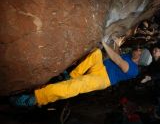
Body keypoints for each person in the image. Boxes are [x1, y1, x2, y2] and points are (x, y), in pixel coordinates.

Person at [10, 37, 152, 107]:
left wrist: (104, 43)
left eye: (140, 51)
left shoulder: (133, 70)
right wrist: (116, 43)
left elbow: (117, 60)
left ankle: (35, 99)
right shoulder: (130, 56)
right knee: (96, 53)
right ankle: (70, 75)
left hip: (103, 80)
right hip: (100, 67)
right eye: (140, 49)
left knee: (75, 87)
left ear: (139, 58)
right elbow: (117, 55)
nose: (138, 49)